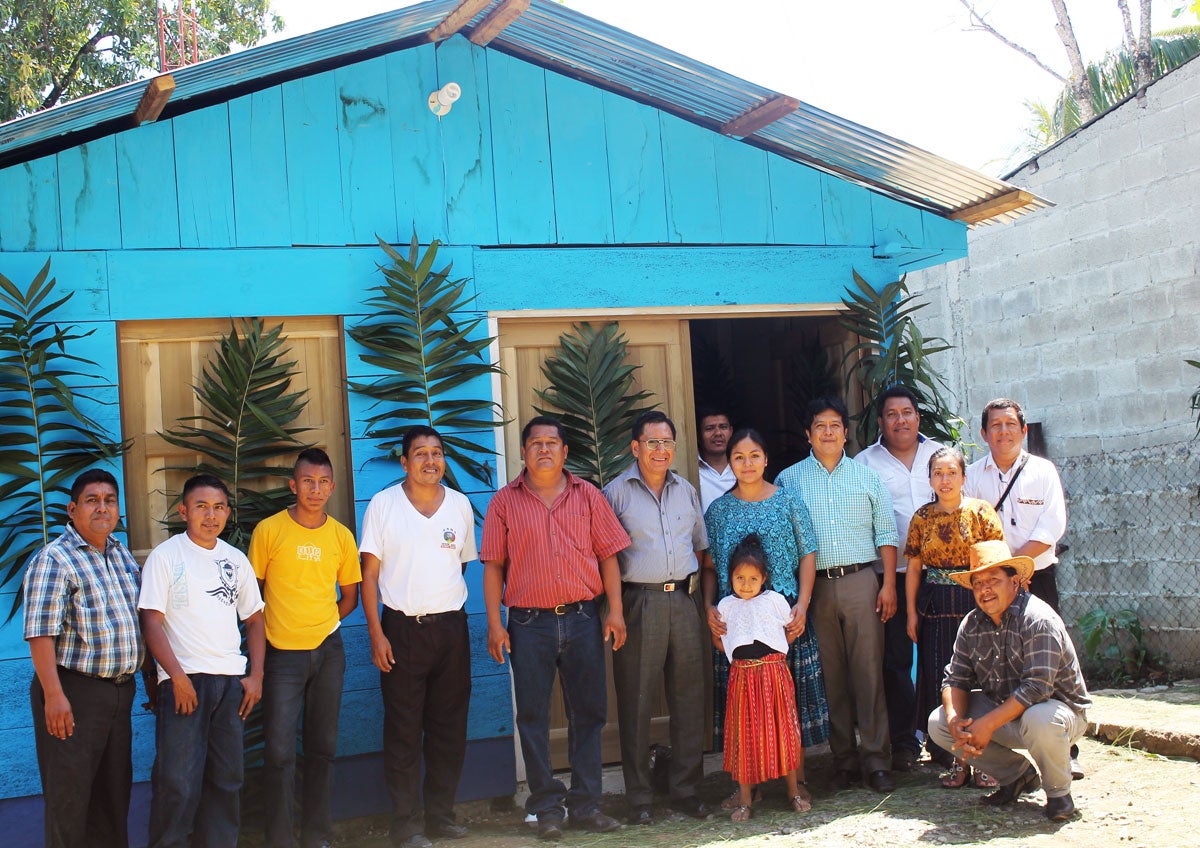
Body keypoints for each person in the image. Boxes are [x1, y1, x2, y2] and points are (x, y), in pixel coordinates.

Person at [481, 416, 630, 840]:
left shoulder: (589, 496)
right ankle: (546, 808)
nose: (544, 449)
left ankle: (586, 805)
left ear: (565, 452)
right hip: (529, 623)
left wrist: (614, 611)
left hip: (584, 618)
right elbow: (493, 566)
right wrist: (495, 624)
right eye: (535, 443)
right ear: (524, 452)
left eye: (552, 443)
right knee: (532, 715)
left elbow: (608, 557)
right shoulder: (504, 503)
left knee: (590, 712)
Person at [359, 427, 476, 848]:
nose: (431, 461)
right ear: (404, 462)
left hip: (450, 629)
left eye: (437, 453)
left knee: (449, 726)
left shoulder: (460, 506)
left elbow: (459, 567)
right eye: (420, 454)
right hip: (401, 630)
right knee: (404, 729)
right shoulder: (384, 505)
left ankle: (441, 815)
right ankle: (406, 825)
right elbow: (368, 575)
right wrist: (376, 633)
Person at [775, 397, 899, 793]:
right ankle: (843, 760)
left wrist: (890, 586)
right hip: (814, 590)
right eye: (819, 426)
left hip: (863, 582)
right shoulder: (788, 480)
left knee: (868, 673)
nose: (828, 432)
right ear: (808, 434)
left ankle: (878, 761)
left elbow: (886, 533)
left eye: (835, 425)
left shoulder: (867, 477)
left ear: (846, 433)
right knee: (831, 678)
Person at [702, 427, 829, 811]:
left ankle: (798, 781)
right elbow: (708, 565)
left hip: (785, 618)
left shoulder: (788, 501)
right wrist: (708, 607)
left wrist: (803, 606)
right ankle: (748, 787)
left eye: (754, 455)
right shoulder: (719, 510)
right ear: (731, 462)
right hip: (737, 621)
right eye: (738, 457)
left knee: (788, 704)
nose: (747, 463)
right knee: (744, 709)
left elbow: (808, 554)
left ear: (766, 459)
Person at [140, 474, 266, 848]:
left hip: (230, 685)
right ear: (183, 511)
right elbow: (151, 620)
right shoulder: (166, 556)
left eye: (218, 507)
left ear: (228, 512)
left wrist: (256, 675)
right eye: (201, 507)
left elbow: (255, 618)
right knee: (177, 781)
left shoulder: (235, 560)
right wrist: (176, 677)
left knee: (227, 780)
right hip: (184, 684)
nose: (211, 516)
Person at [927, 540, 1090, 822]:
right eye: (978, 583)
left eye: (993, 580)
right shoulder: (971, 623)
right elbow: (956, 678)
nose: (985, 589)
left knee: (1040, 718)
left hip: (1058, 714)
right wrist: (956, 721)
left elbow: (1037, 688)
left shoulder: (1039, 619)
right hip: (1006, 712)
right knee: (938, 723)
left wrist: (987, 724)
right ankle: (1016, 777)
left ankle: (1059, 794)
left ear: (1015, 582)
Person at [23, 469, 144, 848]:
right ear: (72, 510)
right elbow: (41, 633)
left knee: (113, 795)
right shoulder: (55, 559)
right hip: (73, 692)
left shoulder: (121, 554)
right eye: (92, 500)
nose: (102, 508)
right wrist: (54, 696)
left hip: (120, 692)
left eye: (110, 500)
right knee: (70, 799)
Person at [249, 448, 362, 848]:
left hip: (328, 652)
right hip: (282, 655)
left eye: (323, 482)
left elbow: (350, 595)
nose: (315, 489)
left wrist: (326, 623)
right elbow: (252, 598)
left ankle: (317, 836)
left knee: (322, 747)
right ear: (293, 485)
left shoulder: (341, 536)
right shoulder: (269, 531)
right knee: (279, 752)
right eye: (307, 481)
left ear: (332, 487)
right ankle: (280, 838)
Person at [602, 411, 711, 825]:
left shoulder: (686, 490)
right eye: (652, 443)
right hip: (638, 603)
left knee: (688, 699)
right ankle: (639, 798)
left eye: (667, 442)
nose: (661, 450)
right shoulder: (615, 493)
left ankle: (685, 790)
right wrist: (614, 610)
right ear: (635, 447)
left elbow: (701, 549)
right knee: (636, 701)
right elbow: (606, 557)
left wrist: (702, 600)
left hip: (683, 601)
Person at [962, 398, 1080, 778]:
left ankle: (1066, 750)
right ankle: (999, 754)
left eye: (1011, 425)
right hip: (990, 582)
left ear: (1024, 430)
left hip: (1037, 577)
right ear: (983, 434)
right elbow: (970, 528)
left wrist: (1016, 569)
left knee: (1049, 660)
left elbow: (1051, 527)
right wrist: (998, 575)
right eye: (995, 426)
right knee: (997, 660)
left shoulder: (1043, 471)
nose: (1003, 431)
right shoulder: (974, 476)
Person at [902, 447, 1004, 789]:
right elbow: (914, 568)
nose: (945, 480)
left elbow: (997, 564)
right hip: (934, 608)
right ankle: (954, 759)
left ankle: (987, 759)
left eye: (951, 473)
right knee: (941, 678)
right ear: (930, 479)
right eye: (938, 474)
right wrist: (912, 614)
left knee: (981, 679)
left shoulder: (981, 513)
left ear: (963, 476)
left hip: (978, 602)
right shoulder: (921, 518)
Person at [854, 384, 942, 772]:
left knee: (940, 659)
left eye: (907, 412)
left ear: (918, 417)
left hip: (940, 577)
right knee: (895, 660)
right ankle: (904, 742)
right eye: (892, 414)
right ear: (881, 421)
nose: (900, 420)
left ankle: (943, 739)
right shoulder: (865, 464)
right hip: (888, 577)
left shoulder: (938, 456)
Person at [714, 534, 810, 823]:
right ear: (730, 577)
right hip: (742, 678)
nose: (745, 585)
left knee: (783, 732)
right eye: (739, 578)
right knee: (745, 736)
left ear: (764, 578)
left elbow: (790, 631)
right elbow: (722, 641)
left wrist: (770, 661)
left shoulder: (776, 601)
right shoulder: (726, 607)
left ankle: (794, 792)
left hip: (773, 675)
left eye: (752, 579)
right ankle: (745, 799)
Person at [697, 406, 736, 513]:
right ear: (698, 435)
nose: (718, 433)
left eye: (723, 427)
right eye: (709, 428)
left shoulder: (743, 467)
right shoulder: (692, 469)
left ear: (731, 431)